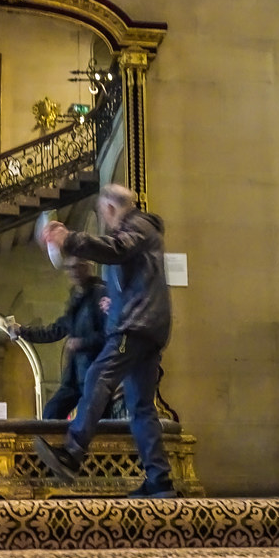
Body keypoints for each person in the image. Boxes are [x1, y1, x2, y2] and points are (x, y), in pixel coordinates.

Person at [33, 182, 176, 499]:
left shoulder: (135, 225)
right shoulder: (140, 230)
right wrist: (114, 302)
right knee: (141, 407)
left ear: (110, 209)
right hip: (144, 326)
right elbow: (129, 269)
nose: (104, 221)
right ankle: (160, 481)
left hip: (134, 329)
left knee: (99, 374)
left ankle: (72, 453)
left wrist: (69, 239)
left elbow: (117, 249)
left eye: (102, 214)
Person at [9, 255, 108, 419]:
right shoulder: (76, 299)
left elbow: (111, 336)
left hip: (94, 374)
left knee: (86, 422)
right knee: (50, 415)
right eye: (69, 268)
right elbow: (56, 330)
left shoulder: (101, 295)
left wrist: (82, 343)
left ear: (88, 267)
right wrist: (23, 331)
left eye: (77, 266)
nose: (73, 272)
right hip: (74, 376)